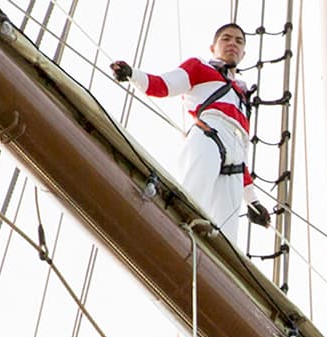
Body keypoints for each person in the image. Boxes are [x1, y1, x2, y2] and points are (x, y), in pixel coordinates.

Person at [110, 24, 271, 236]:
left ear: (243, 54)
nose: (233, 43)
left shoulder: (243, 98)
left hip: (236, 160)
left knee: (226, 237)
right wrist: (132, 74)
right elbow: (162, 85)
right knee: (189, 204)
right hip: (209, 136)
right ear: (213, 48)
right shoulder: (199, 67)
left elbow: (243, 158)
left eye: (239, 41)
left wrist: (253, 201)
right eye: (226, 38)